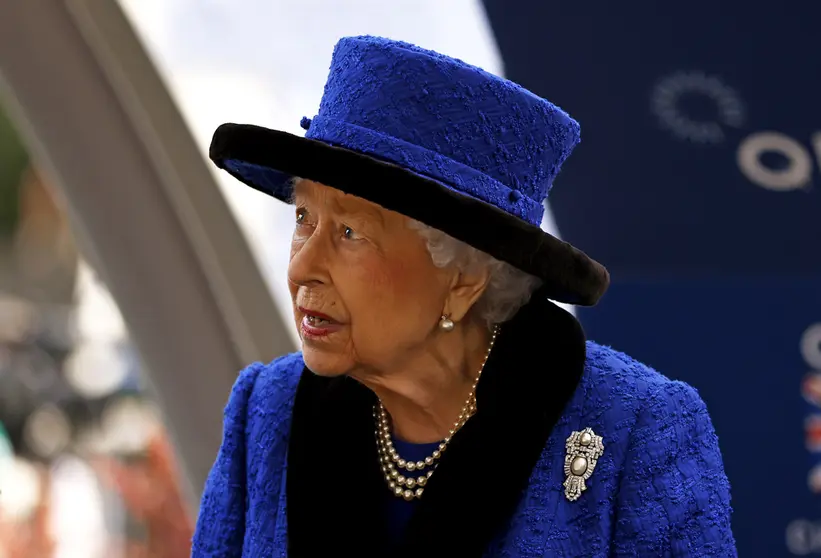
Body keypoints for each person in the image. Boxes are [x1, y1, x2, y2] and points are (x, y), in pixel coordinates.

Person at [191, 36, 736, 557]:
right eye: (304, 219)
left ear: (463, 280)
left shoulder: (635, 429)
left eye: (352, 233)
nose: (302, 266)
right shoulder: (267, 407)